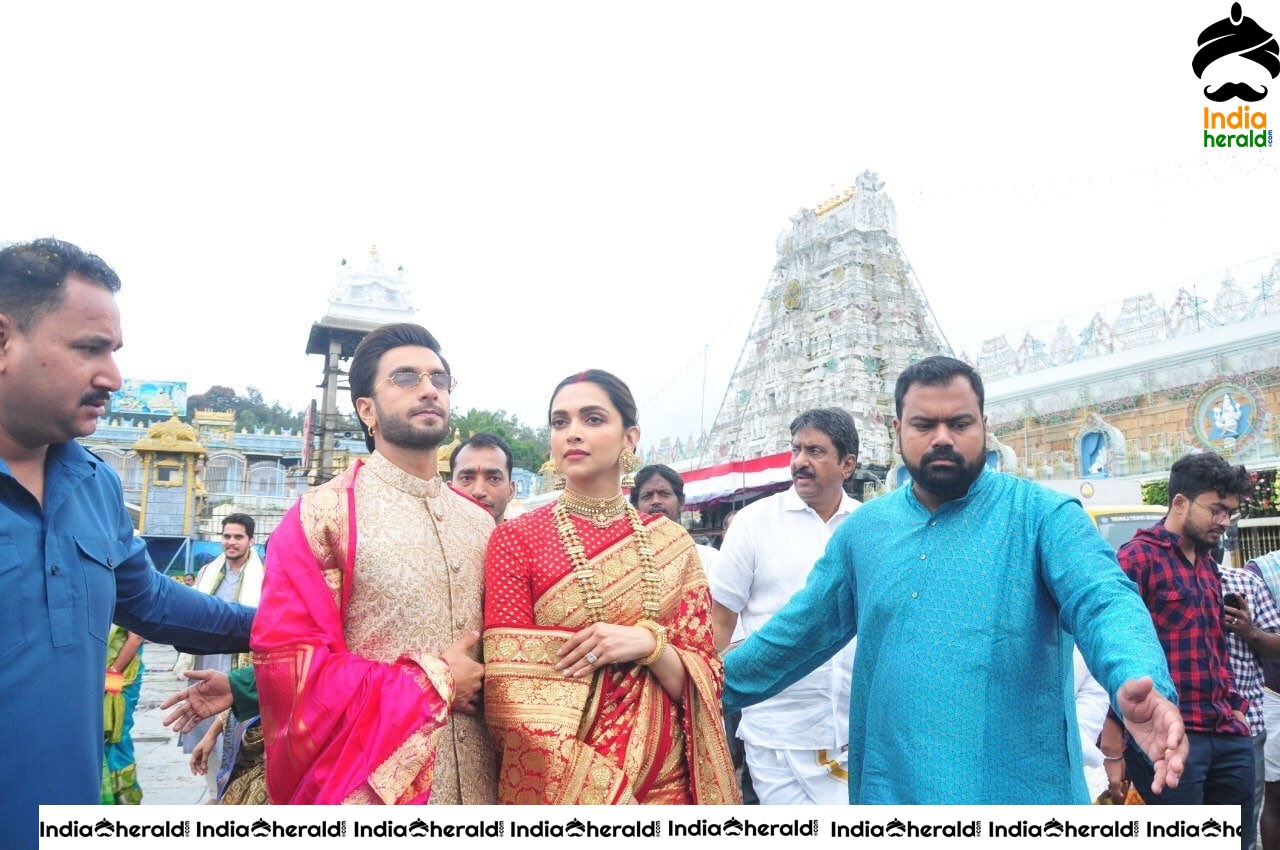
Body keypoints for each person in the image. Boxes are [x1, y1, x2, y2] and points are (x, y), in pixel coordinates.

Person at [722, 355, 1186, 804]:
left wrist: (1136, 673)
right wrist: (690, 680)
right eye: (924, 425)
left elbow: (1104, 599)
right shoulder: (865, 532)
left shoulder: (1042, 516)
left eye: (960, 424)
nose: (942, 438)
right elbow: (793, 636)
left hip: (1018, 796)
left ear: (984, 426)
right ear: (897, 431)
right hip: (893, 794)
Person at [0, 238, 253, 850]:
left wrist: (277, 626)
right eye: (89, 349)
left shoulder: (95, 484)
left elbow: (151, 602)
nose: (112, 376)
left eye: (113, 351)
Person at [251, 322, 497, 804]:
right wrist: (435, 680)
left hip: (485, 779)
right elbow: (293, 671)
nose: (429, 389)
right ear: (367, 410)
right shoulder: (323, 516)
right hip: (374, 786)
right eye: (405, 378)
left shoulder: (479, 523)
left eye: (439, 379)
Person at [483, 370, 739, 804]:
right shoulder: (516, 539)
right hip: (566, 789)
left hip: (668, 785)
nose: (573, 433)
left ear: (630, 438)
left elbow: (704, 680)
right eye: (560, 422)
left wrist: (649, 645)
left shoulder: (671, 544)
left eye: (593, 419)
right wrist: (605, 796)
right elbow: (509, 695)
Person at [709, 408, 860, 805]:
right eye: (796, 450)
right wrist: (706, 698)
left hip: (852, 730)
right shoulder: (754, 522)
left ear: (848, 464)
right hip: (775, 730)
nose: (800, 462)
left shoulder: (868, 525)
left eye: (815, 451)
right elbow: (718, 621)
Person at [1118, 452, 1259, 848]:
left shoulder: (1208, 564)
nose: (1225, 521)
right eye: (1216, 510)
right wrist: (1115, 733)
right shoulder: (1137, 558)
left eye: (1229, 511)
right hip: (1170, 739)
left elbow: (1216, 645)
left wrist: (1235, 707)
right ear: (1180, 503)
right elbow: (1113, 647)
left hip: (1227, 734)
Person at [632, 463, 756, 804]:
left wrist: (698, 674)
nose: (656, 501)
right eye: (647, 495)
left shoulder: (710, 560)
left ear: (681, 503)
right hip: (637, 695)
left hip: (702, 690)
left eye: (664, 494)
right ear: (635, 505)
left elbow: (731, 635)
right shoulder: (622, 562)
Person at [176, 513, 264, 796]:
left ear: (251, 540)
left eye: (238, 537)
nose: (231, 542)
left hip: (238, 665)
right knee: (204, 732)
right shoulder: (207, 574)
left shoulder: (263, 579)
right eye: (226, 536)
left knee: (235, 735)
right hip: (206, 662)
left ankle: (227, 793)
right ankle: (214, 791)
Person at [1221, 562, 1280, 849]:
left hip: (1247, 724)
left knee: (1244, 823)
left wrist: (1249, 631)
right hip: (1191, 723)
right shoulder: (1264, 570)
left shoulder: (1246, 582)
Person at [102, 627, 145, 804]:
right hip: (100, 677)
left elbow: (135, 637)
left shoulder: (126, 599)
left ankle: (124, 801)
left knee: (116, 737)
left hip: (121, 677)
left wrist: (111, 676)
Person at [450, 432, 517, 521]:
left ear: (511, 491)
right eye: (466, 478)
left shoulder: (527, 534)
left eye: (494, 479)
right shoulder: (428, 534)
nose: (478, 492)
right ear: (449, 491)